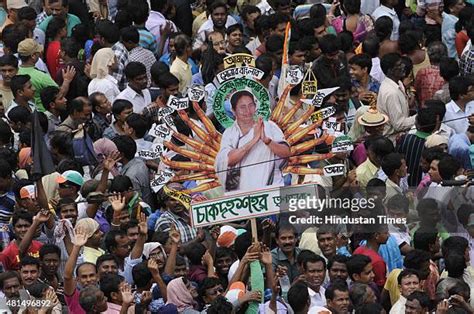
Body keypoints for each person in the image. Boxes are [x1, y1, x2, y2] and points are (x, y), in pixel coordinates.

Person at [215, 90, 290, 192]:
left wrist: (267, 141)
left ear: (255, 106)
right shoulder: (229, 134)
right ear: (233, 110)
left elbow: (286, 153)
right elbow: (228, 160)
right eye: (242, 107)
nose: (248, 111)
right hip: (242, 194)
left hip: (272, 189)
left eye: (251, 105)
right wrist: (253, 140)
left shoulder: (269, 126)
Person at [377, 53, 416, 141]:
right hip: (393, 140)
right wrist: (419, 118)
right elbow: (399, 124)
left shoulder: (398, 83)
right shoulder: (391, 92)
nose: (403, 67)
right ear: (390, 70)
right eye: (399, 65)